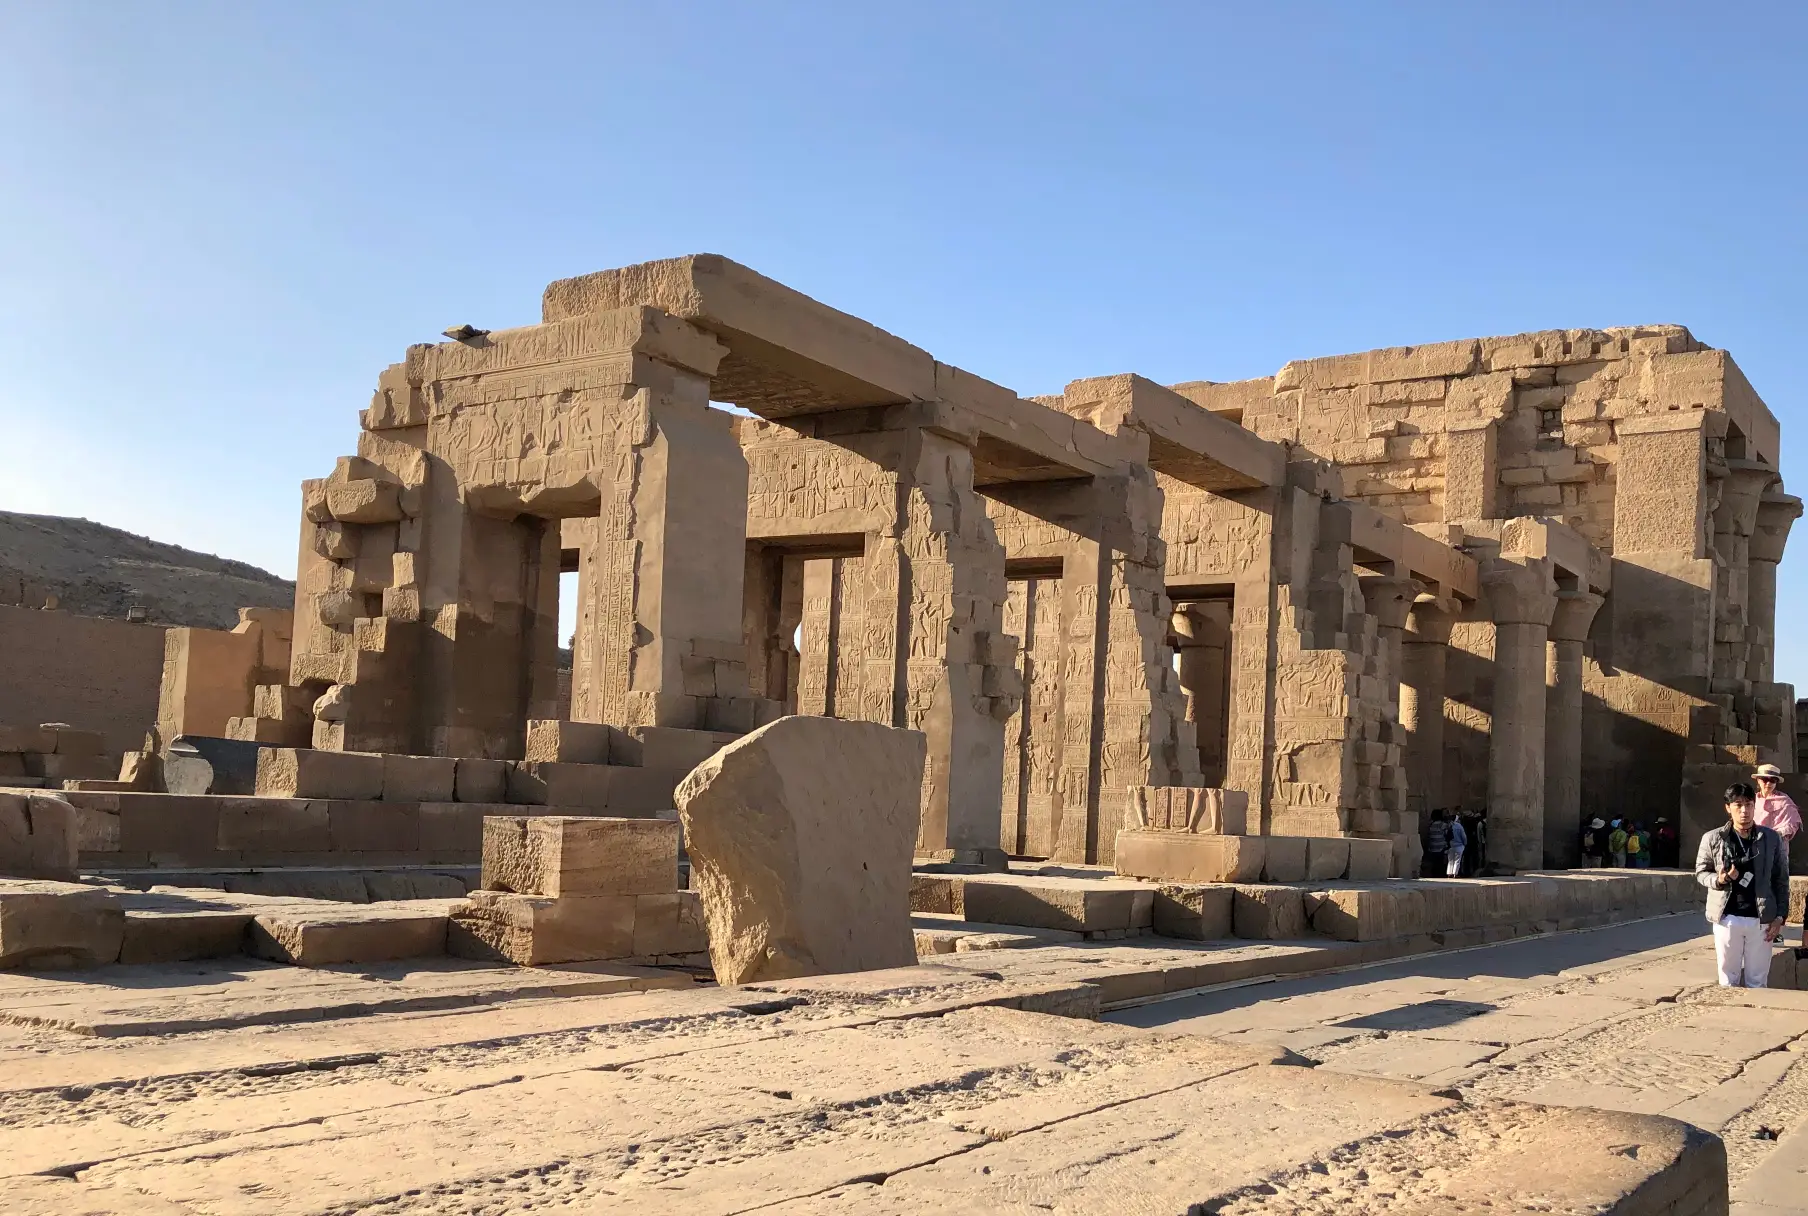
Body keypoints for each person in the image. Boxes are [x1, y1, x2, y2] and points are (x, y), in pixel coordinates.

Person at [1696, 781, 1789, 987]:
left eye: (1748, 804)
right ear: (1728, 808)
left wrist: (1780, 917)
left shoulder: (1771, 838)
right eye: (1738, 805)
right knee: (1728, 980)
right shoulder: (1713, 838)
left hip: (1762, 919)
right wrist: (1719, 879)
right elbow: (1701, 873)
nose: (1744, 811)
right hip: (1727, 918)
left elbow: (1781, 880)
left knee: (1757, 980)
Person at [1753, 764, 1801, 847]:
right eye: (1765, 779)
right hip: (1754, 845)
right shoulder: (1751, 800)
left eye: (1773, 780)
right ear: (1758, 780)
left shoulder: (1785, 800)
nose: (1768, 783)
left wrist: (1777, 833)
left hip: (1777, 846)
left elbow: (1793, 823)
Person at [1425, 810, 1449, 878]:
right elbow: (1447, 835)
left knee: (1435, 865)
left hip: (1432, 848)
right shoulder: (1443, 825)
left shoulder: (1431, 825)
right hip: (1441, 848)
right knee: (1441, 865)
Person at [1445, 812, 1467, 877]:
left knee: (1450, 860)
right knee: (1457, 860)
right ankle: (1455, 873)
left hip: (1450, 845)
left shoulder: (1448, 825)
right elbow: (1463, 836)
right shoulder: (1459, 826)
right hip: (1459, 845)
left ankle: (1449, 873)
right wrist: (1465, 843)